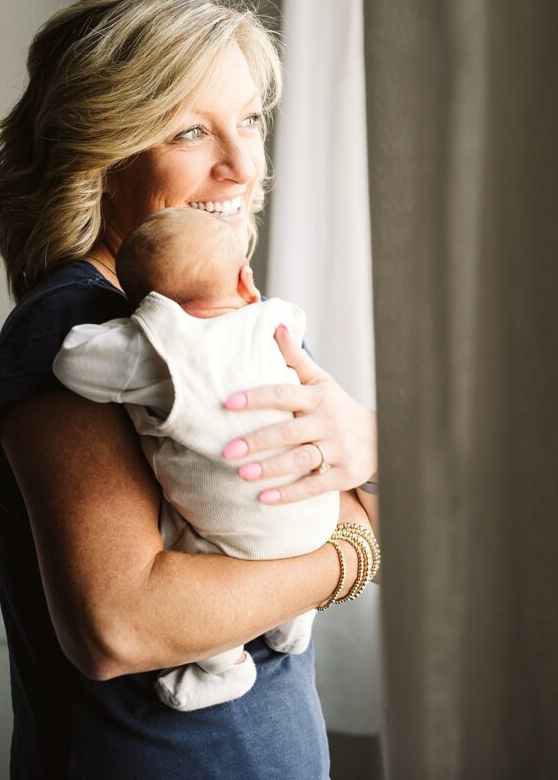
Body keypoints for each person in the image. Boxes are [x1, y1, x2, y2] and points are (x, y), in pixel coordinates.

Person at [0, 0, 379, 780]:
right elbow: (119, 624)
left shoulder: (212, 317)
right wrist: (355, 555)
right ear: (103, 155)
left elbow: (337, 487)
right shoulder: (80, 332)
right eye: (192, 131)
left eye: (251, 121)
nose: (240, 167)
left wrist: (370, 444)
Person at [53, 206, 343, 712]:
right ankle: (294, 620)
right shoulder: (277, 321)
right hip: (319, 517)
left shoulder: (161, 355)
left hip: (238, 539)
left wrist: (138, 326)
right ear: (245, 280)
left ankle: (223, 666)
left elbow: (71, 362)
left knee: (182, 540)